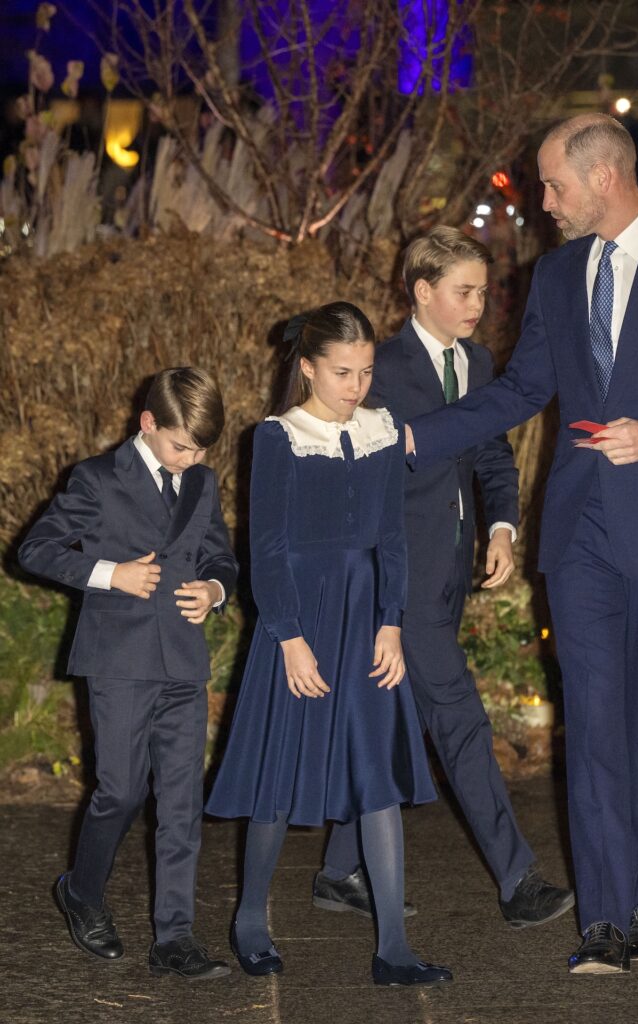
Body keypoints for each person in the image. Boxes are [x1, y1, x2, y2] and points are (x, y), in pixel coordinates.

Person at [404, 114, 638, 974]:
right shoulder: (556, 272)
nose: (543, 204)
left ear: (604, 178)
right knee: (594, 724)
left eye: (553, 186)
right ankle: (602, 921)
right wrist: (416, 436)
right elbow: (523, 388)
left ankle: (636, 901)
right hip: (577, 533)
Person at [314, 228, 574, 928]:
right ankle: (518, 880)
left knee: (393, 717)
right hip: (394, 583)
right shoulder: (379, 368)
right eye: (464, 291)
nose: (478, 305)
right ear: (421, 291)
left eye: (483, 292)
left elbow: (491, 454)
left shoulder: (481, 361)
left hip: (448, 574)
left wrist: (500, 527)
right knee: (458, 720)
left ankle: (338, 870)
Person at [205, 302, 450, 988]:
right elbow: (269, 547)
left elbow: (391, 536)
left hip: (367, 618)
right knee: (281, 771)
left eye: (366, 370)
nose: (356, 384)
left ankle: (394, 946)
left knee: (375, 776)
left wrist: (391, 621)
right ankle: (250, 918)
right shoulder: (279, 437)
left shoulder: (381, 429)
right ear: (308, 367)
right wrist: (287, 637)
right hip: (303, 623)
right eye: (342, 372)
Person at [18, 367, 239, 981]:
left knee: (181, 803)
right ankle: (82, 892)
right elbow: (35, 549)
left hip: (182, 664)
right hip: (118, 659)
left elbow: (222, 553)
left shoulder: (202, 480)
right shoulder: (95, 479)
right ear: (149, 424)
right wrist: (109, 573)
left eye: (201, 450)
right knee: (120, 791)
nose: (191, 459)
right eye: (181, 446)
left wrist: (216, 587)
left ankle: (175, 937)